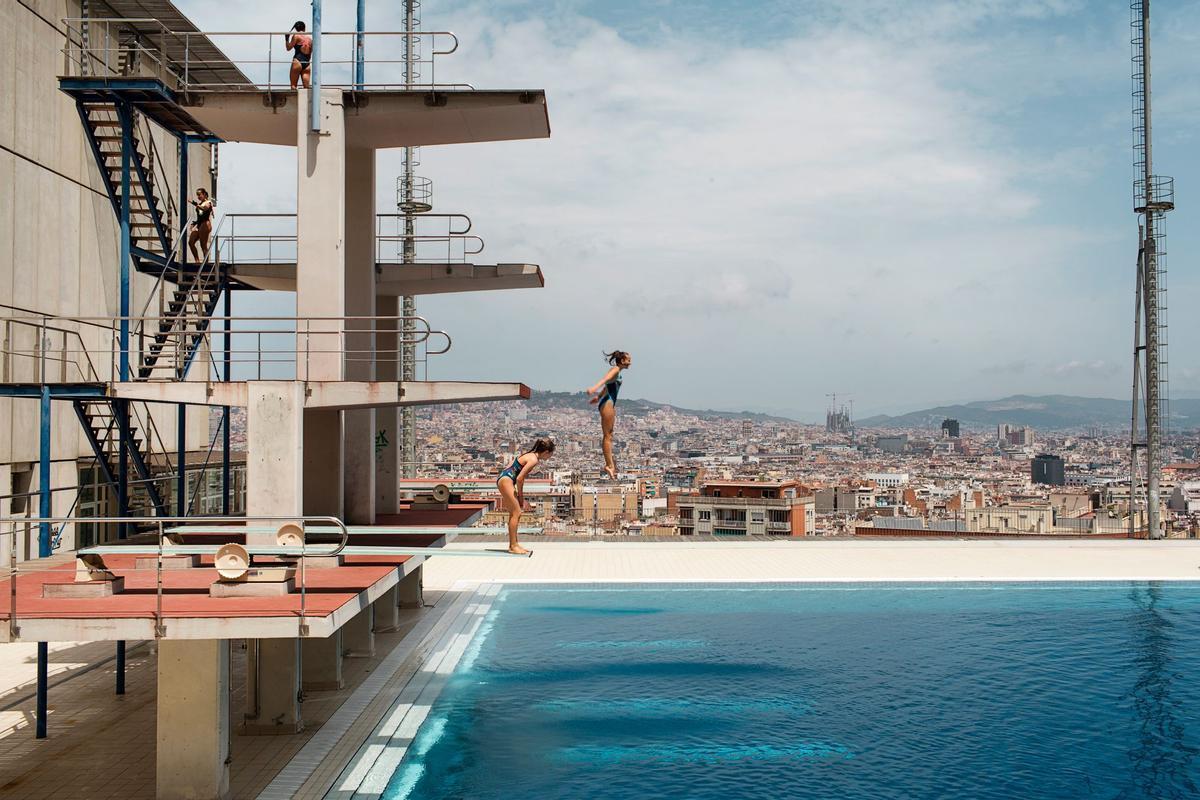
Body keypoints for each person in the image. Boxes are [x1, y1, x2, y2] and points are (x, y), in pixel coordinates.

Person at [496, 439, 554, 555]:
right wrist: (521, 497)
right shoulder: (533, 460)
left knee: (514, 513)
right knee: (517, 513)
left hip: (505, 478)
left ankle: (514, 544)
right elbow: (520, 478)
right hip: (508, 480)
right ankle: (513, 546)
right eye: (551, 454)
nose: (550, 457)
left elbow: (511, 467)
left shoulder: (529, 455)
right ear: (546, 452)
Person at [587, 350, 632, 479]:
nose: (630, 362)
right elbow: (605, 379)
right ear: (622, 361)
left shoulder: (618, 373)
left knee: (609, 435)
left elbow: (608, 385)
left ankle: (610, 465)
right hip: (607, 403)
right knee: (607, 436)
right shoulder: (615, 370)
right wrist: (594, 388)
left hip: (607, 402)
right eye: (628, 360)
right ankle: (609, 466)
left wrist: (599, 396)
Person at [187, 188, 214, 262]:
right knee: (191, 242)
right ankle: (197, 260)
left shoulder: (208, 202)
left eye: (199, 195)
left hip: (205, 223)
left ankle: (205, 262)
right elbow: (200, 216)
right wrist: (195, 223)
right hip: (200, 224)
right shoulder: (200, 204)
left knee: (203, 245)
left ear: (204, 194)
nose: (198, 197)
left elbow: (205, 209)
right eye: (197, 195)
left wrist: (194, 204)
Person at [285, 21, 313, 89]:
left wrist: (286, 39)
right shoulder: (310, 39)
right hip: (307, 63)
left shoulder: (296, 36)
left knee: (293, 86)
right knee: (306, 88)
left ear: (296, 29)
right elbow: (311, 52)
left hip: (297, 61)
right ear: (304, 28)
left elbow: (288, 48)